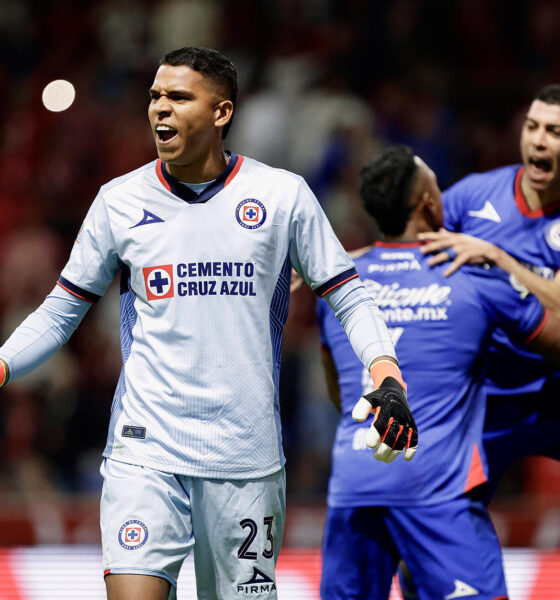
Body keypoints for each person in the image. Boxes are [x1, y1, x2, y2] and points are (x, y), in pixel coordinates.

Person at [0, 47, 417, 600]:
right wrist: (2, 363)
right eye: (154, 97)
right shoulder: (118, 202)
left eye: (178, 97)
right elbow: (60, 312)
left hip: (246, 460)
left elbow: (349, 295)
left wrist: (386, 372)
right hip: (145, 451)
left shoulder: (281, 195)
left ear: (221, 113)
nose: (159, 110)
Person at [316, 145, 560, 600]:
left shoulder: (340, 289)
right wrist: (507, 264)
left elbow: (341, 394)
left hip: (354, 484)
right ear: (430, 201)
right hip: (437, 490)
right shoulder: (472, 277)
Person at [418, 83, 560, 496]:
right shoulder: (476, 193)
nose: (538, 139)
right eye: (532, 126)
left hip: (553, 388)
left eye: (554, 131)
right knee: (441, 508)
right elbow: (409, 248)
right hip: (487, 395)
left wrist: (500, 258)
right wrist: (337, 266)